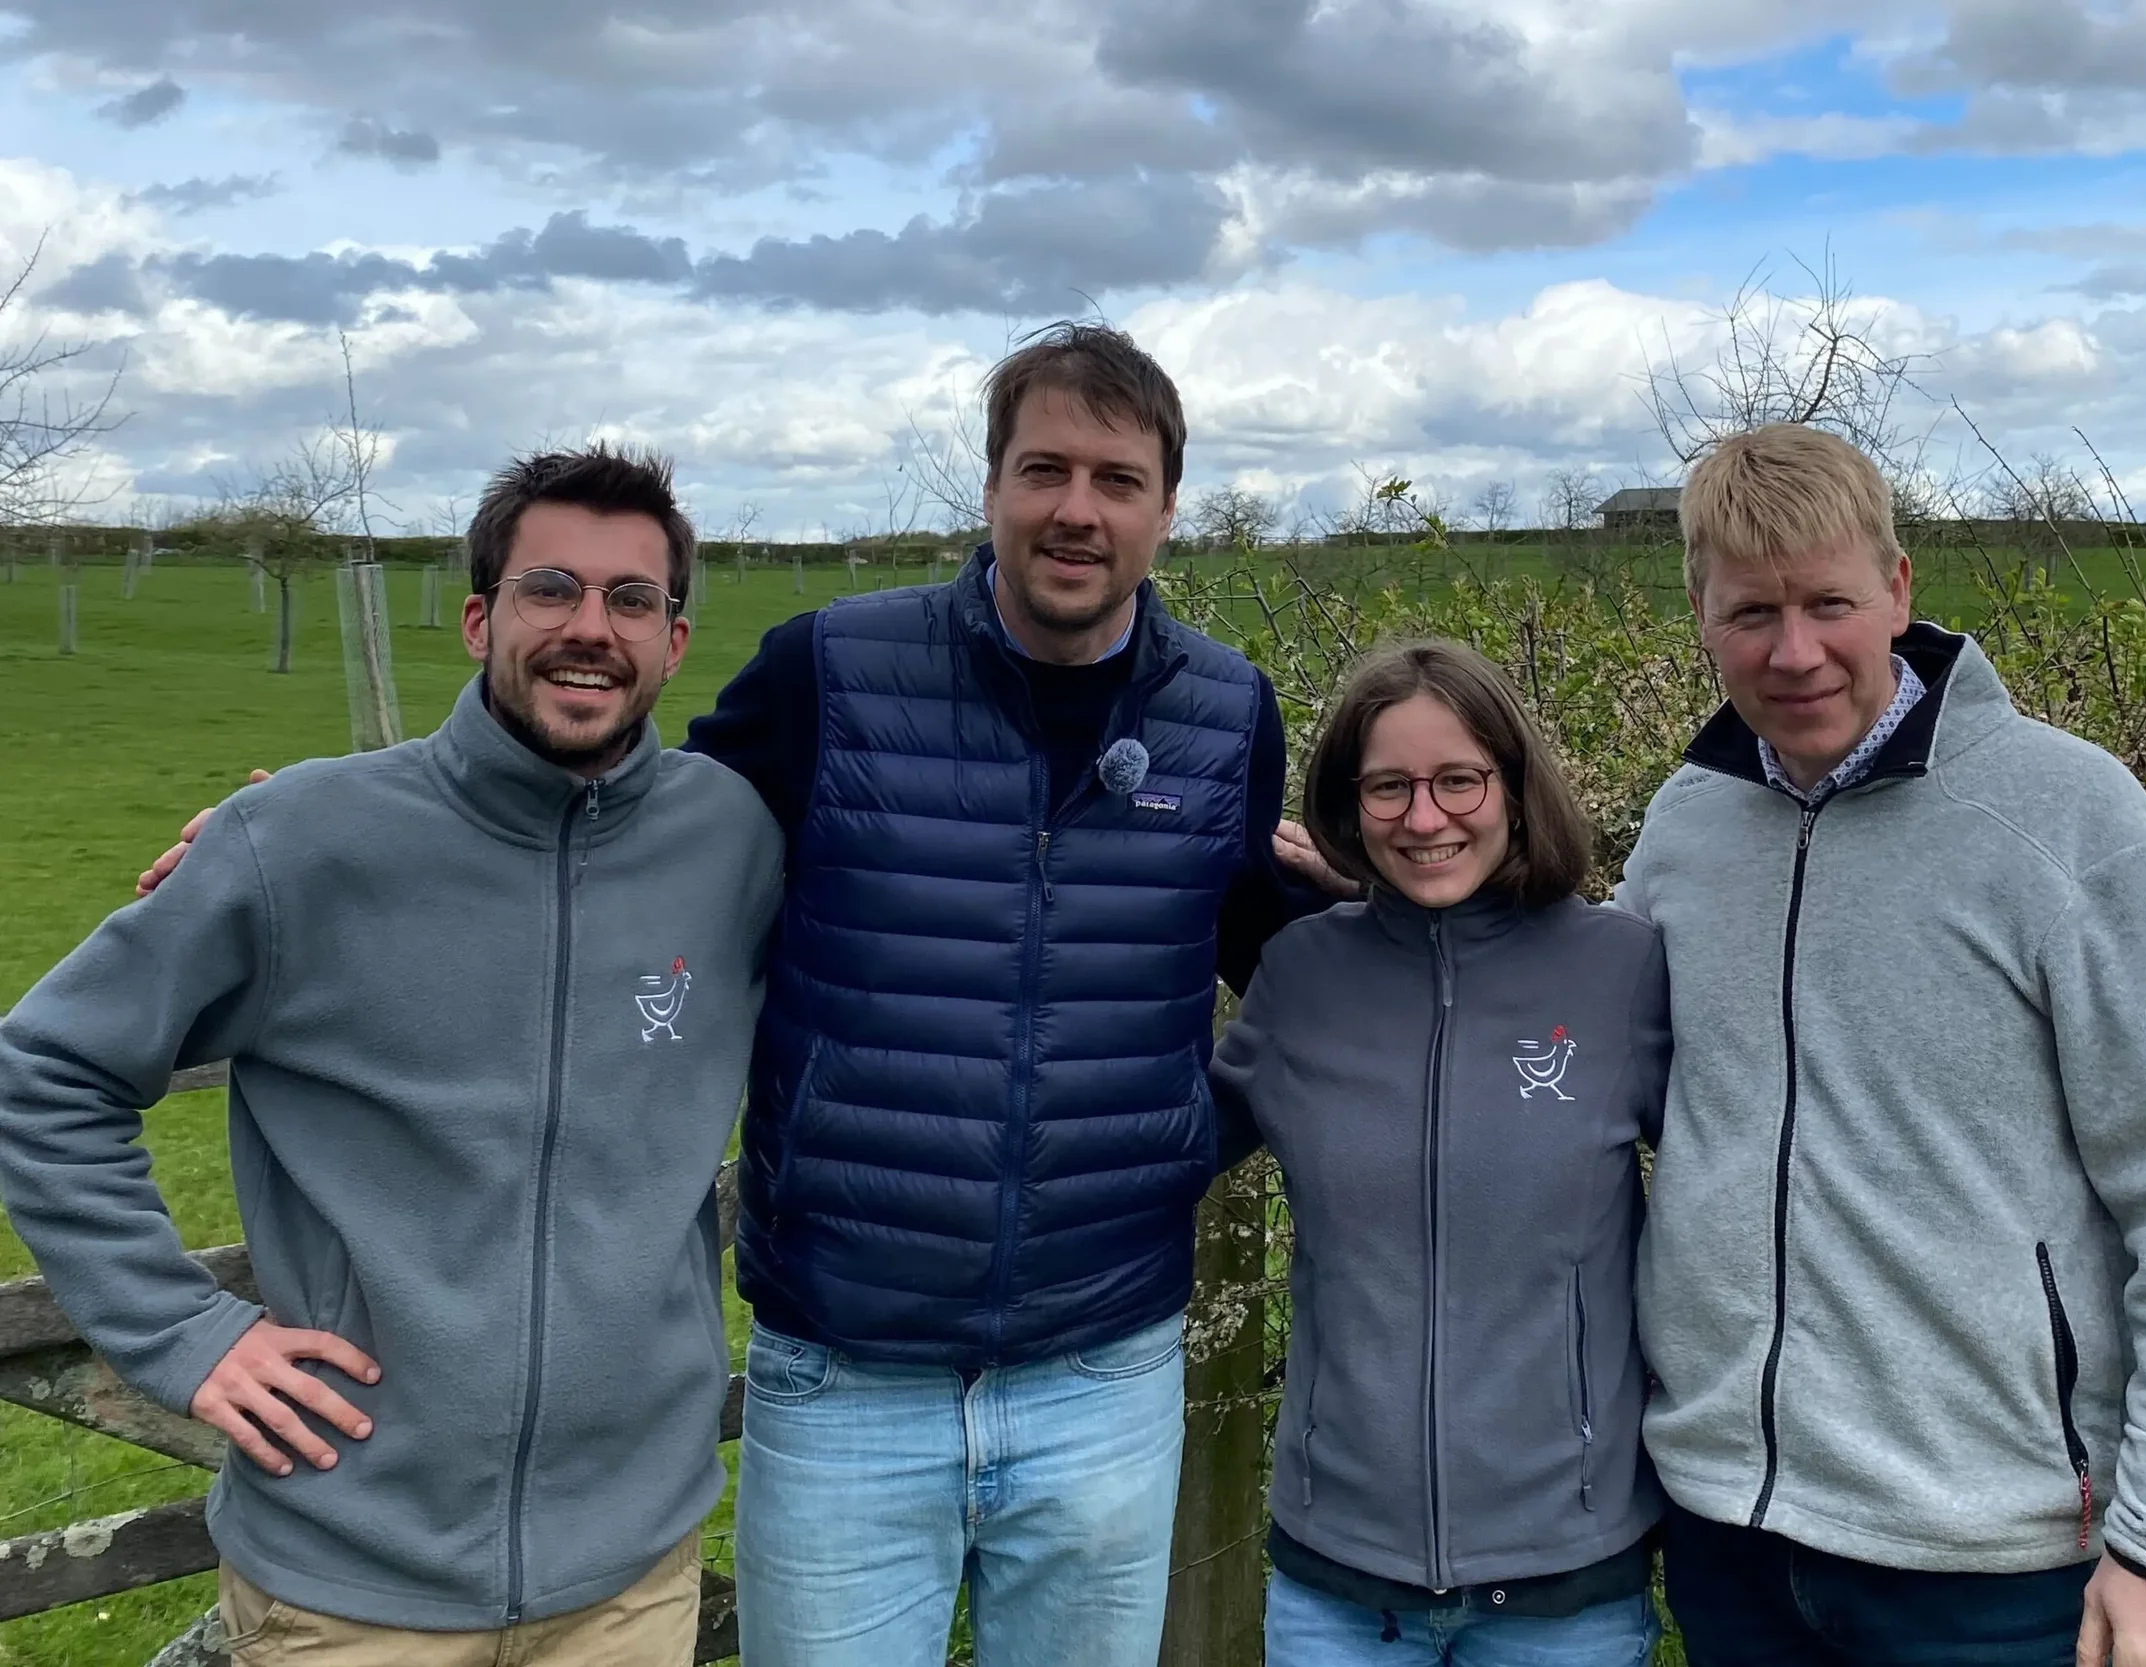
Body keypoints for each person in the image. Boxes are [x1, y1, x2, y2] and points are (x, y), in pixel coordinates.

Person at [0, 447, 781, 1665]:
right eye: (551, 589)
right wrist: (181, 1330)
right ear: (479, 617)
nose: (592, 628)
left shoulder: (732, 839)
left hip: (633, 1573)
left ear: (674, 642)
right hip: (348, 1587)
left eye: (633, 599)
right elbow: (44, 1069)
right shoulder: (301, 840)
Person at [679, 321, 1319, 1667]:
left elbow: (1303, 968)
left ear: (1165, 510)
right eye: (1044, 469)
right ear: (990, 490)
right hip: (848, 1365)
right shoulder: (828, 671)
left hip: (1104, 1367)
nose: (1076, 509)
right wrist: (340, 829)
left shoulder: (1225, 711)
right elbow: (631, 848)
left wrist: (1191, 1135)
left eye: (1117, 478)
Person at [1612, 424, 2146, 1667]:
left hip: (1993, 1560)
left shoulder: (2066, 816)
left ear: (1900, 590)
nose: (1794, 649)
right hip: (1729, 1531)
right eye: (1750, 610)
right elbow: (1599, 1055)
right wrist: (1431, 910)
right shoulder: (1686, 824)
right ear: (1701, 616)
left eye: (1829, 602)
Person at [1211, 640, 1670, 1666]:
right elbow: (1148, 1154)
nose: (1425, 818)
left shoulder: (1621, 969)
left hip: (1567, 1586)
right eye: (1388, 787)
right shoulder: (1301, 975)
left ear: (1512, 784)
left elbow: (1748, 1191)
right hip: (1338, 1584)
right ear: (1346, 800)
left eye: (1458, 778)